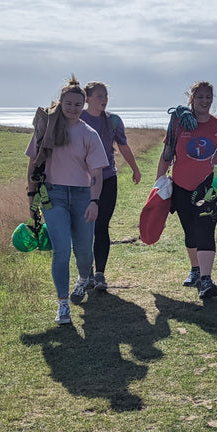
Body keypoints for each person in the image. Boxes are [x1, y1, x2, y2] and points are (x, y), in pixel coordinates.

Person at [25, 75, 109, 324]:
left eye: (77, 104)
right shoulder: (46, 128)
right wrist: (31, 198)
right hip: (54, 195)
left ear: (84, 105)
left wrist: (94, 202)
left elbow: (96, 173)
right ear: (60, 102)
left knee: (83, 252)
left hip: (83, 195)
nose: (72, 108)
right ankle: (63, 304)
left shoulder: (89, 133)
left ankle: (84, 279)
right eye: (68, 103)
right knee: (61, 250)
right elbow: (32, 164)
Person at [155, 81, 217, 299]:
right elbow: (168, 153)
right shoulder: (178, 123)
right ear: (192, 99)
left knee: (205, 229)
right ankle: (195, 270)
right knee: (190, 231)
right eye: (200, 97)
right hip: (182, 186)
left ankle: (206, 279)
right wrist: (159, 181)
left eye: (208, 97)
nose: (204, 101)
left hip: (209, 189)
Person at [80, 81, 141, 291]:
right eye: (98, 96)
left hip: (107, 179)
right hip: (81, 182)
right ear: (87, 98)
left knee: (101, 225)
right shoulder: (78, 119)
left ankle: (100, 275)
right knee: (84, 229)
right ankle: (85, 273)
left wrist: (135, 168)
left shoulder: (113, 120)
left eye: (105, 96)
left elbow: (123, 146)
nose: (103, 100)